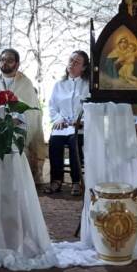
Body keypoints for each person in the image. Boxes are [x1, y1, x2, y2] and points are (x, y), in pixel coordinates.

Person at [0, 48, 46, 183]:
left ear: (17, 64)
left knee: (15, 140)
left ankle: (17, 181)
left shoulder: (25, 83)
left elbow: (32, 111)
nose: (5, 63)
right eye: (3, 60)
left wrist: (17, 120)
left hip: (18, 126)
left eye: (9, 61)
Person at [44, 50, 90, 196]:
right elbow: (52, 106)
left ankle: (76, 181)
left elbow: (91, 107)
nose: (72, 64)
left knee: (74, 142)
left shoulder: (88, 85)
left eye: (76, 62)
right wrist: (58, 118)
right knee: (54, 142)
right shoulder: (59, 85)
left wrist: (82, 121)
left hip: (80, 127)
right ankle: (56, 180)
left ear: (83, 67)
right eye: (71, 60)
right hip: (62, 125)